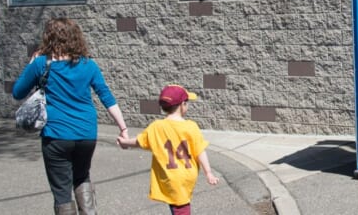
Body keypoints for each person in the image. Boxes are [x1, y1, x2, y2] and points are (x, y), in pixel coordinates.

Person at [12, 17, 129, 215]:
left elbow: (17, 92)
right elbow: (107, 97)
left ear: (49, 38)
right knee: (82, 177)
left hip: (56, 135)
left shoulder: (41, 64)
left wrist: (30, 64)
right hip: (86, 134)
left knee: (61, 191)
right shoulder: (88, 65)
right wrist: (123, 129)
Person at [116, 84, 219, 215]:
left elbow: (139, 141)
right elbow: (200, 151)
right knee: (181, 207)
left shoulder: (156, 127)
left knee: (179, 207)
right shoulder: (191, 126)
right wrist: (208, 172)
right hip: (186, 176)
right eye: (187, 102)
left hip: (170, 177)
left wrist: (125, 142)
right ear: (182, 105)